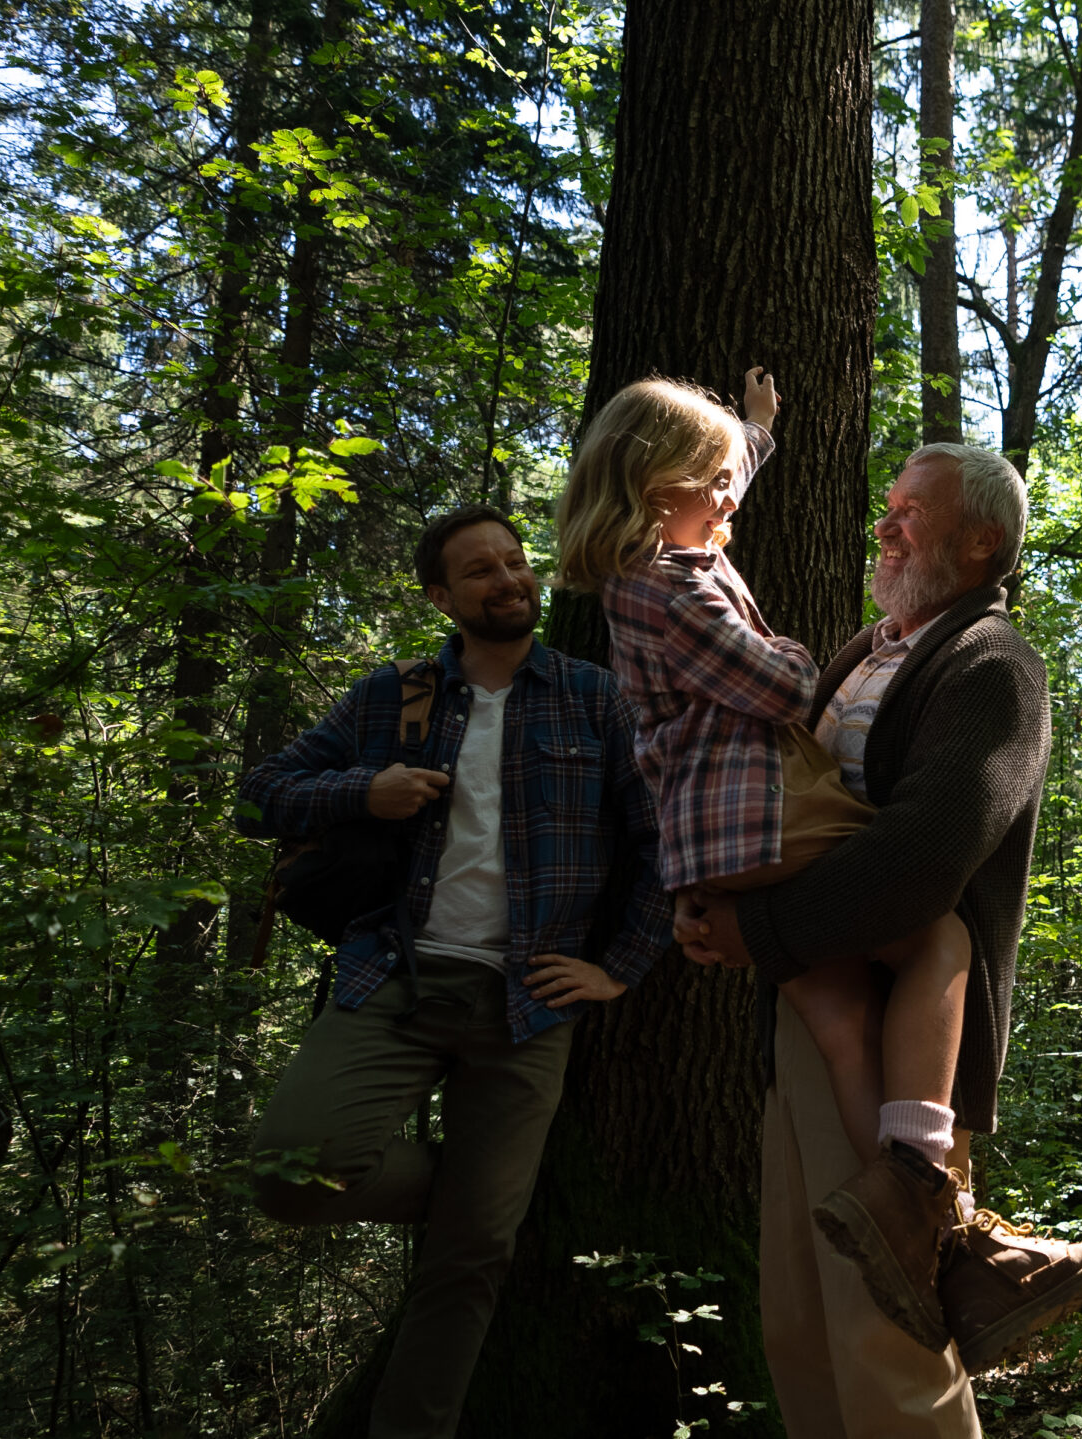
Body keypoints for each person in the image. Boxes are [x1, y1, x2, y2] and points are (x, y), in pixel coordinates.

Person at [677, 442, 1082, 1437]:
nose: (885, 526)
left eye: (911, 511)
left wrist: (755, 924)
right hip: (806, 1004)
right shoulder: (859, 649)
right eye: (885, 507)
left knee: (886, 1330)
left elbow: (925, 857)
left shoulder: (993, 663)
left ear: (981, 542)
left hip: (905, 1041)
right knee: (800, 1320)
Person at [557, 369, 983, 1352]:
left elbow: (728, 474)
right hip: (756, 818)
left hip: (716, 840)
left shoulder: (655, 552)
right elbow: (784, 683)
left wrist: (753, 430)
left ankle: (898, 1217)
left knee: (838, 1015)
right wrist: (820, 656)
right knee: (936, 934)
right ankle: (925, 1184)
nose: (728, 498)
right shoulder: (673, 585)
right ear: (657, 488)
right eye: (713, 484)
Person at [238, 507, 665, 1439]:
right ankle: (484, 1194)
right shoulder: (394, 698)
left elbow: (662, 840)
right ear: (442, 596)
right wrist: (366, 788)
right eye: (480, 570)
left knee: (468, 1264)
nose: (508, 579)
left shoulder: (597, 697)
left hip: (528, 1005)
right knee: (289, 1170)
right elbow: (262, 790)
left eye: (516, 561)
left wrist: (619, 968)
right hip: (394, 979)